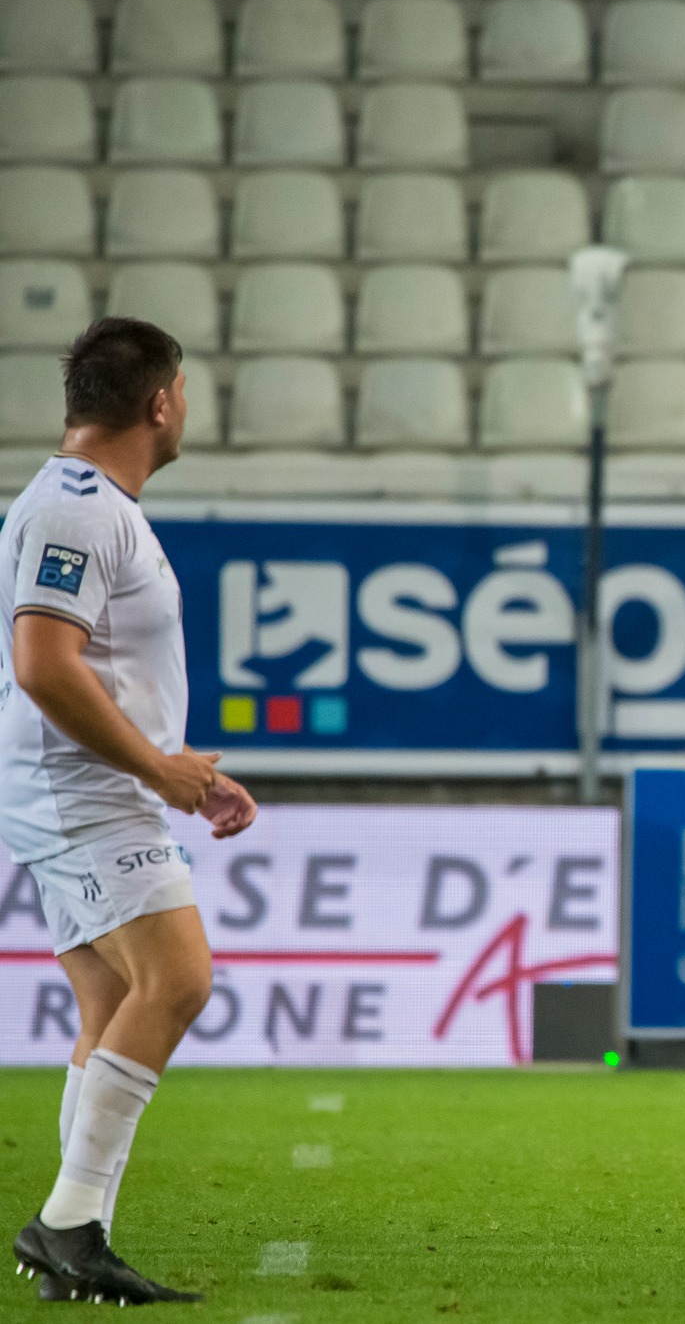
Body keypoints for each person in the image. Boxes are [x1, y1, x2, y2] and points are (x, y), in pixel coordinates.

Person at [8, 318, 258, 1307]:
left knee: (112, 1006)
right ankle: (67, 1220)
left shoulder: (90, 504)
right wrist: (157, 769)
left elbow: (91, 662)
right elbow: (41, 664)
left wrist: (175, 767)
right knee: (179, 980)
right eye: (183, 391)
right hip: (83, 793)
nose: (186, 405)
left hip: (86, 787)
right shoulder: (77, 510)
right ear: (159, 402)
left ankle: (79, 1230)